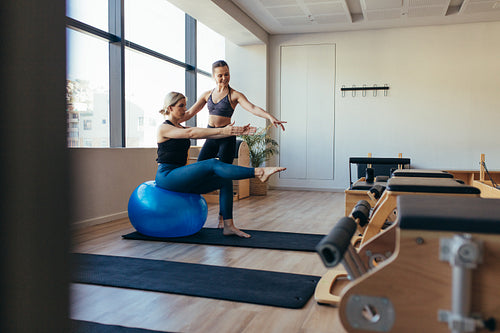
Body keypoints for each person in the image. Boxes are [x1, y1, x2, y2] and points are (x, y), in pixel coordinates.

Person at [156, 92, 286, 238]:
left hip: (181, 176)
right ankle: (258, 172)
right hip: (167, 176)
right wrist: (223, 130)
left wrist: (234, 132)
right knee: (212, 163)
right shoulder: (164, 128)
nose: (185, 109)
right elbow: (192, 133)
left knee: (224, 181)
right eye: (181, 106)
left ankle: (228, 226)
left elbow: (210, 134)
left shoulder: (180, 127)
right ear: (170, 108)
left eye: (185, 105)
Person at [180, 60, 286, 164]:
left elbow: (252, 108)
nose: (224, 78)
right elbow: (189, 114)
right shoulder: (207, 95)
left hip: (227, 137)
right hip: (211, 135)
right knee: (200, 166)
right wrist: (171, 121)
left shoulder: (235, 95)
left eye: (226, 74)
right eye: (220, 75)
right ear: (213, 76)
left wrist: (270, 117)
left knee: (225, 172)